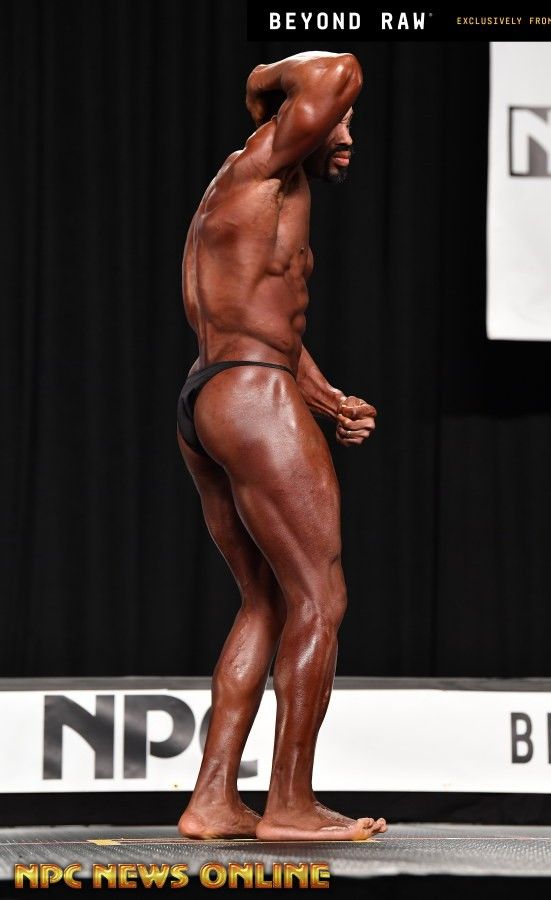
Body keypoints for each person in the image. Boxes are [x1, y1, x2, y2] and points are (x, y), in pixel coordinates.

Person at [176, 51, 385, 841]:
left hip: (211, 396)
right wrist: (267, 85)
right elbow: (340, 66)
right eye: (339, 123)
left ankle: (212, 800)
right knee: (320, 598)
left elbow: (268, 329)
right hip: (249, 395)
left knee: (265, 600)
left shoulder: (253, 196)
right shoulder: (260, 168)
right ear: (299, 121)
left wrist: (329, 401)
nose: (348, 135)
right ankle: (291, 804)